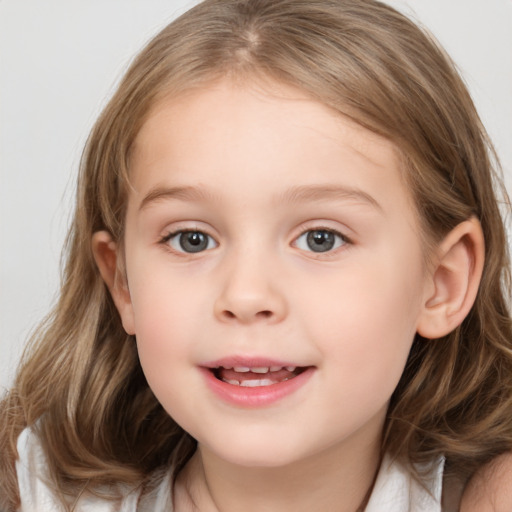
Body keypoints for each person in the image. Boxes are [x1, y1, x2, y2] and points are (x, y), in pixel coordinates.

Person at [1, 0, 511, 510]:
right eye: (191, 239)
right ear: (123, 282)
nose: (246, 296)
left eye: (321, 239)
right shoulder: (33, 493)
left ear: (442, 282)